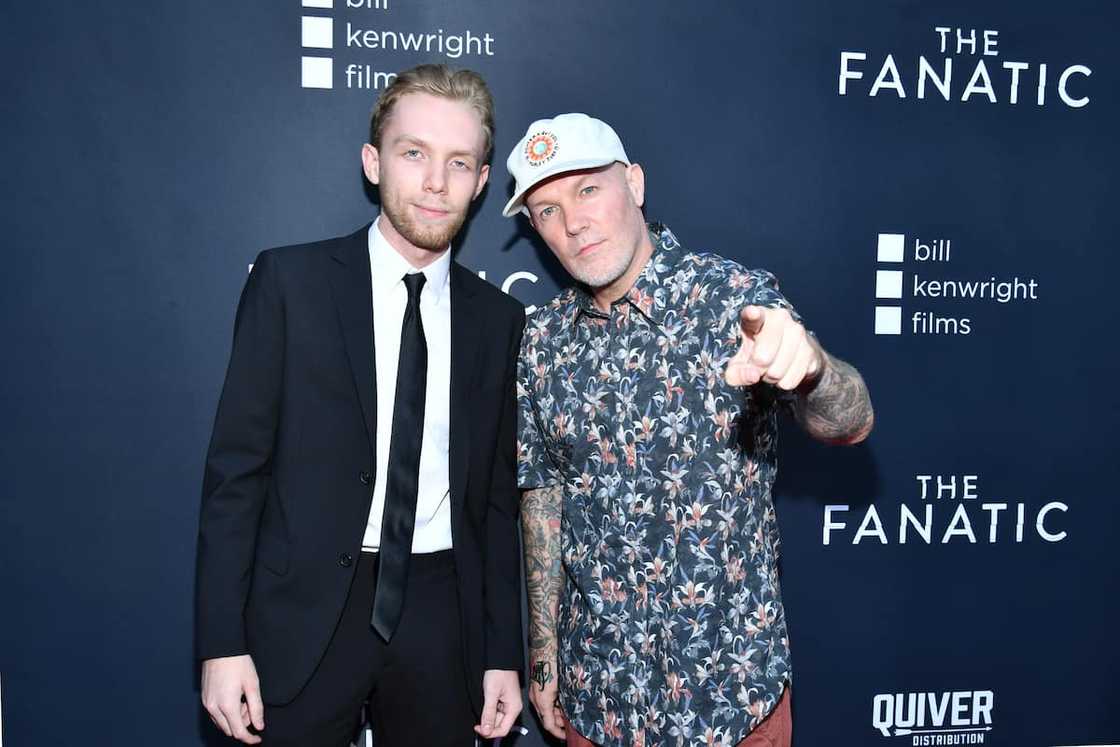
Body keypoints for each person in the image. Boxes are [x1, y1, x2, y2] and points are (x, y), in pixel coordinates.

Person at [509, 114, 874, 746]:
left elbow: (851, 421)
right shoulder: (541, 339)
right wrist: (543, 653)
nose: (572, 223)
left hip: (734, 704)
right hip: (599, 703)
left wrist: (811, 370)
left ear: (636, 184)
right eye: (546, 210)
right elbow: (544, 493)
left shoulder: (734, 301)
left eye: (588, 189)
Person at [195, 64, 524, 746]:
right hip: (304, 610)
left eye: (459, 162)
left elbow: (494, 503)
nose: (436, 182)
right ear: (373, 163)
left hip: (442, 614)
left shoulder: (499, 320)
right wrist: (221, 642)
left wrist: (502, 652)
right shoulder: (290, 283)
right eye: (415, 154)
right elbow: (236, 477)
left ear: (483, 181)